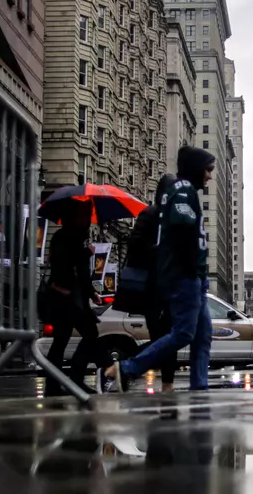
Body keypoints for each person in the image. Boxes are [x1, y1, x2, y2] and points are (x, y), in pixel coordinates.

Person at [103, 146, 215, 393]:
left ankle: (199, 387)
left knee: (202, 335)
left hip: (193, 276)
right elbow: (182, 232)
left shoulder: (184, 191)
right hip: (185, 276)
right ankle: (126, 369)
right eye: (208, 169)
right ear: (197, 168)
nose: (209, 176)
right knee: (184, 333)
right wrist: (190, 271)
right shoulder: (183, 191)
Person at [122, 174, 178, 393]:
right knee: (161, 338)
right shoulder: (151, 214)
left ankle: (167, 384)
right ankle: (123, 367)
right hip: (152, 288)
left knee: (169, 338)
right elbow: (134, 243)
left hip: (168, 286)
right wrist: (155, 251)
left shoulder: (173, 217)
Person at [42, 198, 103, 396]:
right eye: (86, 213)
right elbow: (67, 268)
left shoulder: (73, 236)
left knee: (61, 341)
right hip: (66, 299)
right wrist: (85, 254)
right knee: (88, 335)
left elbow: (80, 273)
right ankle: (72, 380)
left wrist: (92, 292)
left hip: (71, 299)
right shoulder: (66, 237)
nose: (88, 218)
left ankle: (56, 384)